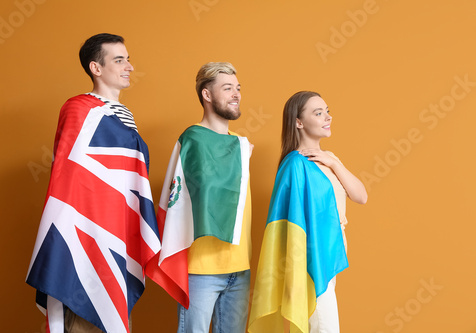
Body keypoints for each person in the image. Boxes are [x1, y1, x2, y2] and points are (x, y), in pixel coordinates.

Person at [26, 33, 159, 333]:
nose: (129, 66)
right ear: (96, 68)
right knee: (86, 320)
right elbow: (68, 178)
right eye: (119, 60)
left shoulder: (126, 115)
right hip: (85, 234)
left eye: (128, 59)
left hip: (118, 230)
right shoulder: (79, 109)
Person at [248, 91, 367, 333]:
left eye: (327, 111)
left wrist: (333, 163)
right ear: (298, 122)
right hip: (310, 259)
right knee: (324, 325)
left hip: (331, 251)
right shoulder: (294, 164)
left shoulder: (330, 158)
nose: (328, 117)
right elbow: (289, 222)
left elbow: (361, 196)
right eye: (318, 112)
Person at [147, 62, 253, 333]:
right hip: (202, 269)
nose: (236, 94)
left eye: (238, 88)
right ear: (207, 95)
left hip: (240, 267)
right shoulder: (192, 139)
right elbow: (179, 199)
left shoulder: (242, 145)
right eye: (227, 88)